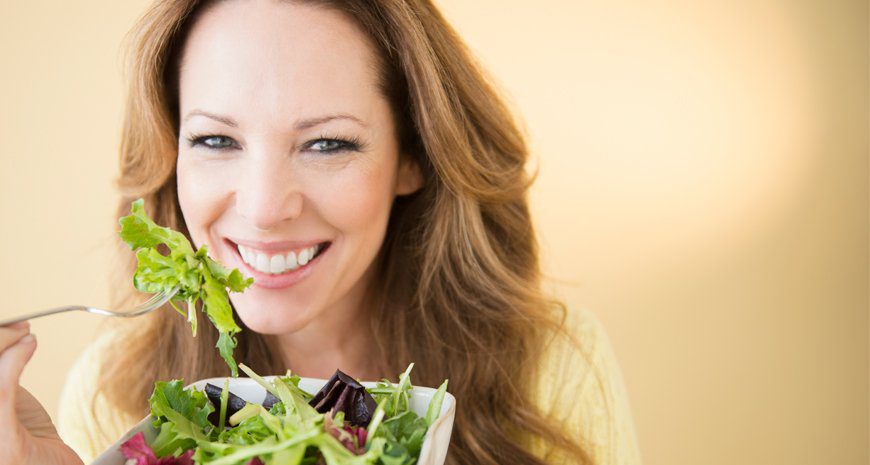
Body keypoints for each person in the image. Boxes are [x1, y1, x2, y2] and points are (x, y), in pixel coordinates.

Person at [0, 1, 642, 464]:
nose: (264, 207)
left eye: (328, 143)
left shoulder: (550, 367)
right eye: (216, 139)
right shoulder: (111, 394)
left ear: (413, 157)